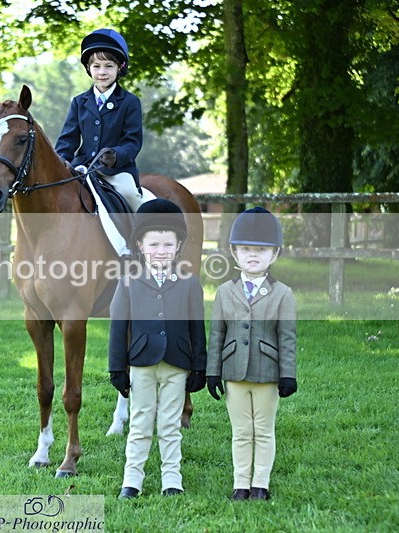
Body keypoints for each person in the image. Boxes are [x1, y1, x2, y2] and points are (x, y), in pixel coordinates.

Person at [108, 199, 207, 499]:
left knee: (170, 424)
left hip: (177, 363)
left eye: (168, 245)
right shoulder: (127, 281)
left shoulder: (190, 283)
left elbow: (196, 328)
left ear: (178, 247)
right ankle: (132, 480)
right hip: (141, 363)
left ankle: (171, 479)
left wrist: (199, 366)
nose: (161, 251)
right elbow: (117, 326)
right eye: (154, 245)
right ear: (139, 245)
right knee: (139, 422)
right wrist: (117, 367)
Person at [206, 206, 298, 501]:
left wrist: (288, 374)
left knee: (264, 430)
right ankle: (240, 484)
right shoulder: (223, 292)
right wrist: (212, 371)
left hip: (267, 373)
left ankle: (261, 484)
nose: (253, 255)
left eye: (261, 249)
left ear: (275, 254)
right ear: (234, 253)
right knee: (241, 431)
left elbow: (287, 337)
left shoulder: (283, 293)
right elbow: (217, 334)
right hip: (234, 371)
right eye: (245, 249)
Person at [55, 28, 154, 257]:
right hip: (83, 168)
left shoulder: (130, 102)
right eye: (96, 66)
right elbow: (68, 139)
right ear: (88, 68)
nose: (102, 72)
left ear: (120, 68)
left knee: (131, 196)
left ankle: (141, 248)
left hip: (117, 171)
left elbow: (133, 141)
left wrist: (117, 156)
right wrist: (61, 161)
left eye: (108, 66)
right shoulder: (79, 102)